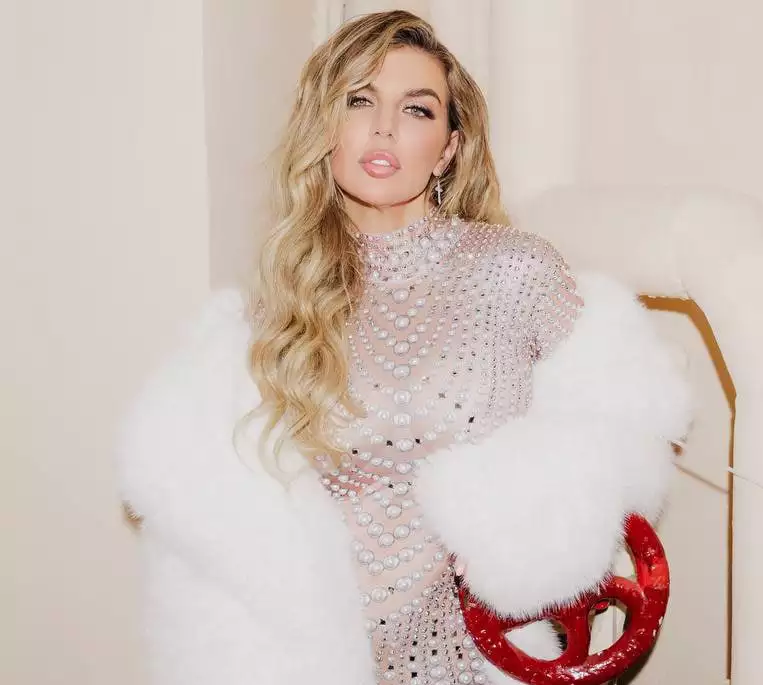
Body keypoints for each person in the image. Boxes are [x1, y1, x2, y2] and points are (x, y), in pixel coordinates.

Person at [115, 10, 692, 685]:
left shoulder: (514, 270)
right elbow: (230, 512)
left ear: (448, 148)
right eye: (360, 100)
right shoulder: (281, 303)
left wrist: (532, 535)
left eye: (417, 109)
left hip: (476, 654)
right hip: (316, 659)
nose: (384, 127)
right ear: (325, 126)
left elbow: (624, 420)